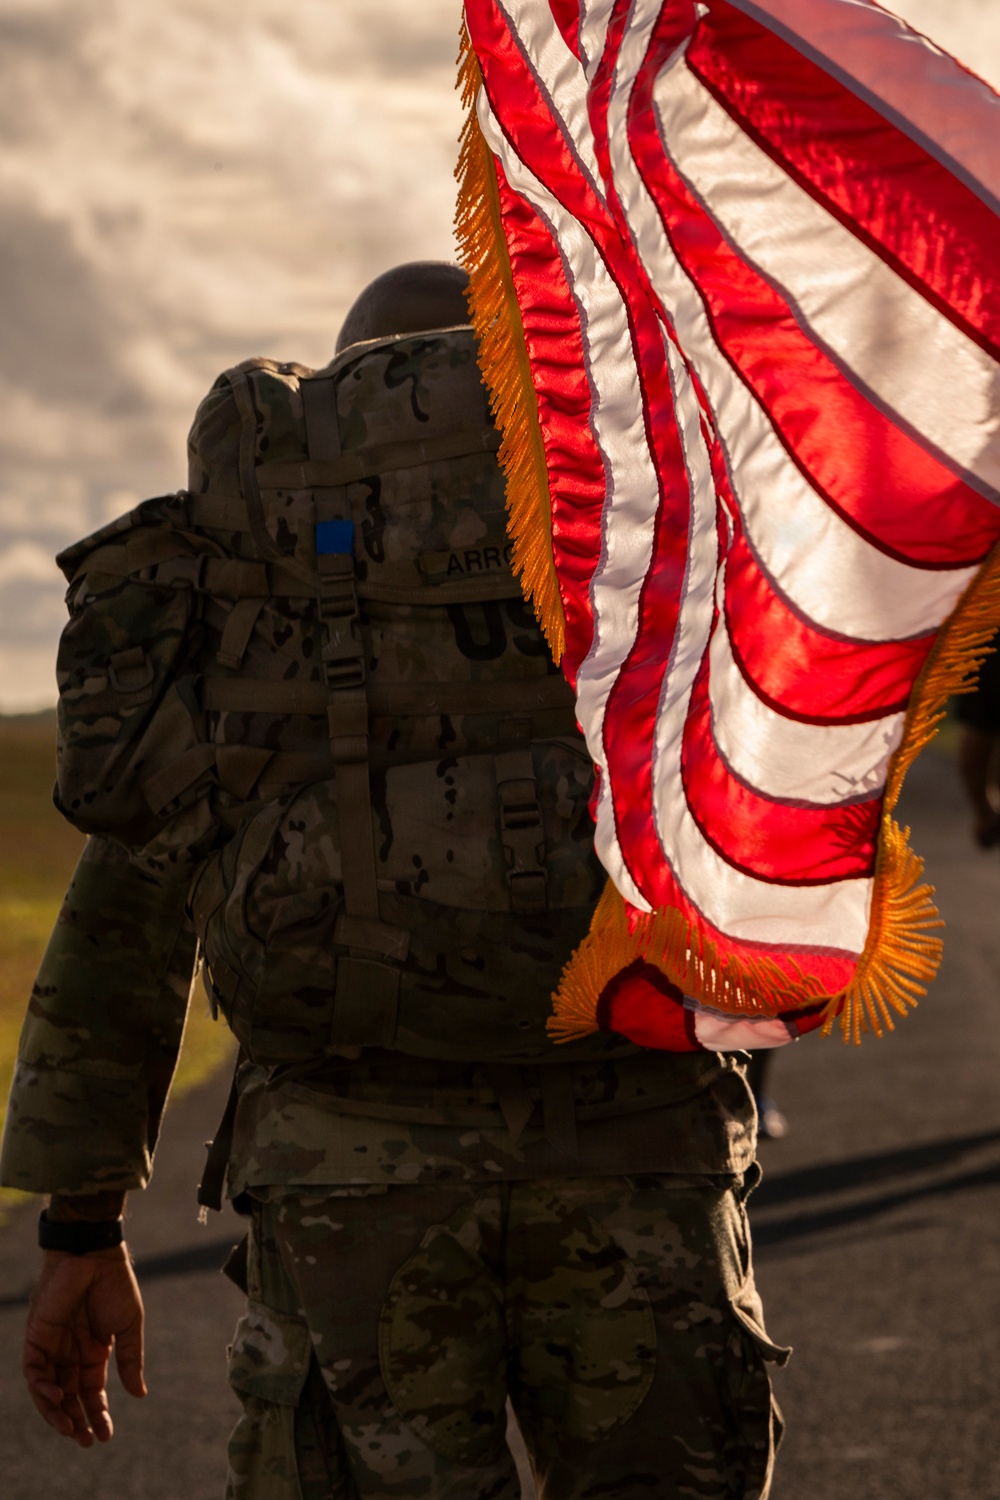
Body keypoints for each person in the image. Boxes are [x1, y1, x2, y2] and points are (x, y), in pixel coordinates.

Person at [2, 263, 787, 1499]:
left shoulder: (258, 597)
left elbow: (125, 917)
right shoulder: (636, 554)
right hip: (638, 1146)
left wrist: (80, 1226)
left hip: (346, 1177)